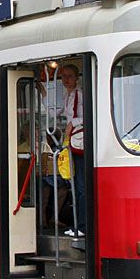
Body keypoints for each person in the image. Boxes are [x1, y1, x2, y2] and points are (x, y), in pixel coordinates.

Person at [58, 63, 86, 238]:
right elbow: (54, 113)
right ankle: (78, 224)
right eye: (63, 76)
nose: (65, 79)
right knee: (75, 185)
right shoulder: (67, 95)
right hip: (73, 144)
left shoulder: (80, 95)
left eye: (69, 76)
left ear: (77, 77)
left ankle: (82, 225)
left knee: (81, 186)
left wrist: (72, 124)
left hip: (79, 144)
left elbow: (88, 115)